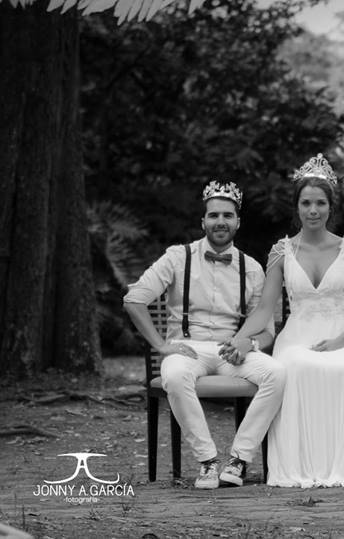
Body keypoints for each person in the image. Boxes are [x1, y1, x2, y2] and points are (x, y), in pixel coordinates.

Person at [231, 154, 344, 487]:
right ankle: (301, 465)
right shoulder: (281, 251)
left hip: (341, 333)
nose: (313, 210)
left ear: (330, 207)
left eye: (320, 203)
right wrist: (238, 339)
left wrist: (338, 342)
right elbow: (264, 310)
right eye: (306, 203)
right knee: (295, 366)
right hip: (297, 335)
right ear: (296, 207)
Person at [123, 181, 286, 489]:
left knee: (276, 373)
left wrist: (248, 344)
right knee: (173, 376)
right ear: (203, 221)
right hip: (188, 349)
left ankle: (239, 459)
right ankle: (208, 461)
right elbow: (133, 300)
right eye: (213, 215)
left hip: (232, 352)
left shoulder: (251, 268)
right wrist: (160, 344)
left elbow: (267, 331)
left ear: (238, 222)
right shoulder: (176, 257)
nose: (220, 221)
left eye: (227, 215)